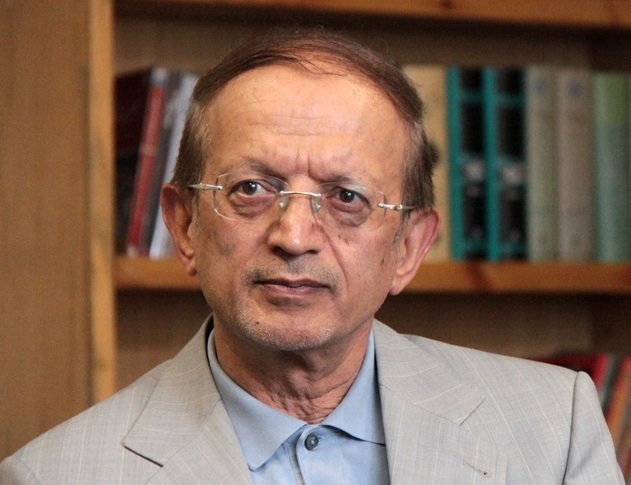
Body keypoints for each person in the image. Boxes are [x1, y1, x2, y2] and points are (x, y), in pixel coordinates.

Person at [0, 28, 623, 484]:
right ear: (184, 225)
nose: (294, 236)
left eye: (347, 197)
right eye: (251, 189)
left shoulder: (553, 428)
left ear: (409, 247)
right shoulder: (53, 476)